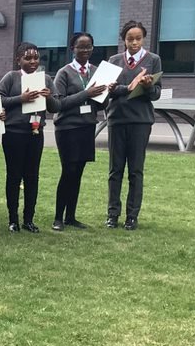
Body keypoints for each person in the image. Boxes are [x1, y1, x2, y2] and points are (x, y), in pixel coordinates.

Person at [0, 42, 60, 233]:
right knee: (14, 176)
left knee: (32, 177)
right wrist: (20, 99)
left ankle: (28, 219)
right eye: (27, 58)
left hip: (35, 133)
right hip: (14, 133)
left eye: (36, 58)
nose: (32, 61)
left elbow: (56, 107)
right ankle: (12, 219)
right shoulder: (12, 77)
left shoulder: (46, 79)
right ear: (18, 59)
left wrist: (48, 97)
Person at [105, 20, 163, 230]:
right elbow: (107, 90)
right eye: (130, 39)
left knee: (136, 170)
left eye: (138, 38)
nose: (134, 43)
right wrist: (126, 88)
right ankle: (112, 214)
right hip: (117, 119)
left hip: (140, 121)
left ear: (143, 39)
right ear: (124, 40)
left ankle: (132, 216)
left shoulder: (153, 60)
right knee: (115, 170)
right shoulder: (114, 60)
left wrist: (147, 87)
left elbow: (156, 94)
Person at [52, 32, 109, 231]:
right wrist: (86, 93)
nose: (85, 51)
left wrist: (105, 93)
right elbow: (58, 103)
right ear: (72, 49)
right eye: (81, 47)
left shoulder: (96, 72)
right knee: (68, 171)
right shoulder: (64, 73)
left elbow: (100, 105)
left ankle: (71, 217)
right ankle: (58, 217)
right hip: (68, 128)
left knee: (78, 173)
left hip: (87, 126)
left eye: (89, 47)